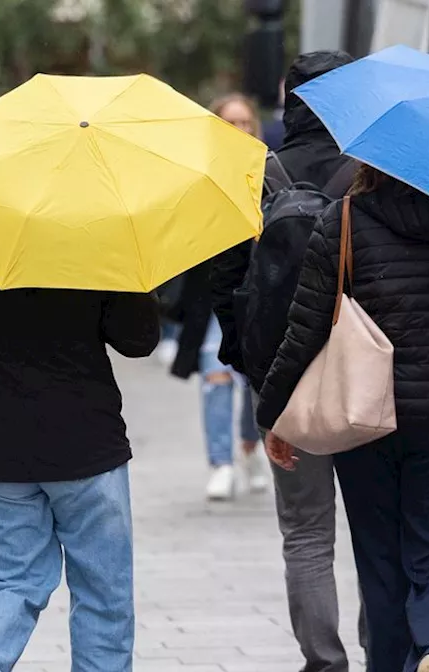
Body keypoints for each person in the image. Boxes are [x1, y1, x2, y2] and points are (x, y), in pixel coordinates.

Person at [255, 164, 429, 672]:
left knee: (380, 561)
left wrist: (274, 412)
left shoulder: (341, 221)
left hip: (365, 418)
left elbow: (306, 330)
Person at [210, 51, 364, 672]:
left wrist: (252, 370)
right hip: (365, 378)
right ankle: (384, 650)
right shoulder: (373, 173)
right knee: (379, 533)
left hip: (285, 381)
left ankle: (324, 661)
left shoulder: (256, 174)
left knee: (306, 533)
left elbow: (225, 283)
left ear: (287, 103)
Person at [0, 258, 160, 672]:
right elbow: (138, 339)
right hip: (86, 441)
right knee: (102, 588)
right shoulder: (101, 239)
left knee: (9, 579)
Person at [171, 93, 265, 501]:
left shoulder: (268, 170)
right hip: (212, 295)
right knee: (216, 372)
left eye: (246, 122)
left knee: (256, 381)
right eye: (231, 123)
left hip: (260, 293)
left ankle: (250, 445)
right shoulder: (199, 177)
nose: (240, 130)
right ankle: (221, 463)